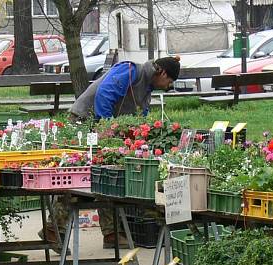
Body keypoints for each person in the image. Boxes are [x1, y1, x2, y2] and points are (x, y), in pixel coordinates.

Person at [51, 57, 180, 248]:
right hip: (85, 122)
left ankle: (111, 233)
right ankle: (53, 229)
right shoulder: (131, 71)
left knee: (109, 175)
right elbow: (104, 95)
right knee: (80, 175)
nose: (168, 86)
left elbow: (138, 116)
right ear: (162, 72)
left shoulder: (147, 87)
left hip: (102, 127)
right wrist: (107, 127)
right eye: (169, 81)